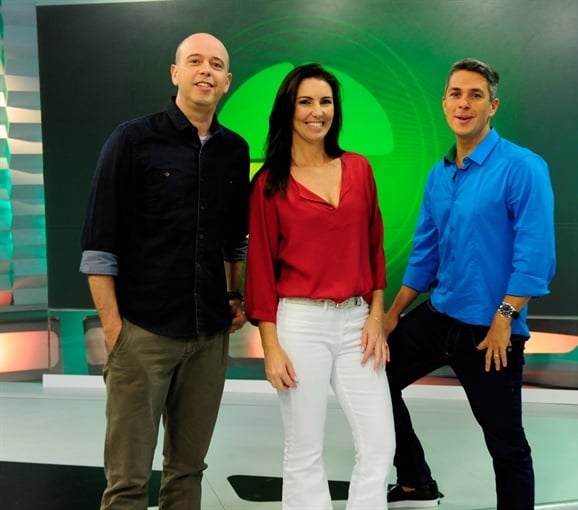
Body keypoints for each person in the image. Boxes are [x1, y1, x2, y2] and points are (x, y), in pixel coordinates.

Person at [79, 33, 250, 509]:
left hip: (208, 337)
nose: (206, 71)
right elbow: (98, 246)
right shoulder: (132, 139)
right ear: (175, 73)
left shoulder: (235, 151)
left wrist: (232, 297)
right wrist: (115, 331)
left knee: (188, 472)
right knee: (128, 480)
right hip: (142, 333)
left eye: (216, 65)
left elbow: (234, 240)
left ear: (227, 82)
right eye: (195, 61)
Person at [384, 58, 556, 510]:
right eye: (456, 94)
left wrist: (504, 319)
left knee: (507, 446)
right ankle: (414, 478)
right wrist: (392, 314)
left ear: (492, 106)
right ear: (444, 103)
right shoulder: (439, 175)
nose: (464, 103)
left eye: (475, 95)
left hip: (491, 332)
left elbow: (535, 256)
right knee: (373, 377)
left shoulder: (522, 167)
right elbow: (424, 254)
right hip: (440, 317)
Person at [244, 63, 395, 510]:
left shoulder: (359, 168)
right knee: (304, 449)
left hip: (356, 323)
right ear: (288, 110)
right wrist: (270, 347)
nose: (317, 112)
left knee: (380, 444)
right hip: (299, 323)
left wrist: (375, 317)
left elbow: (374, 248)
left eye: (325, 101)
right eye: (305, 102)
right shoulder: (268, 184)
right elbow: (260, 272)